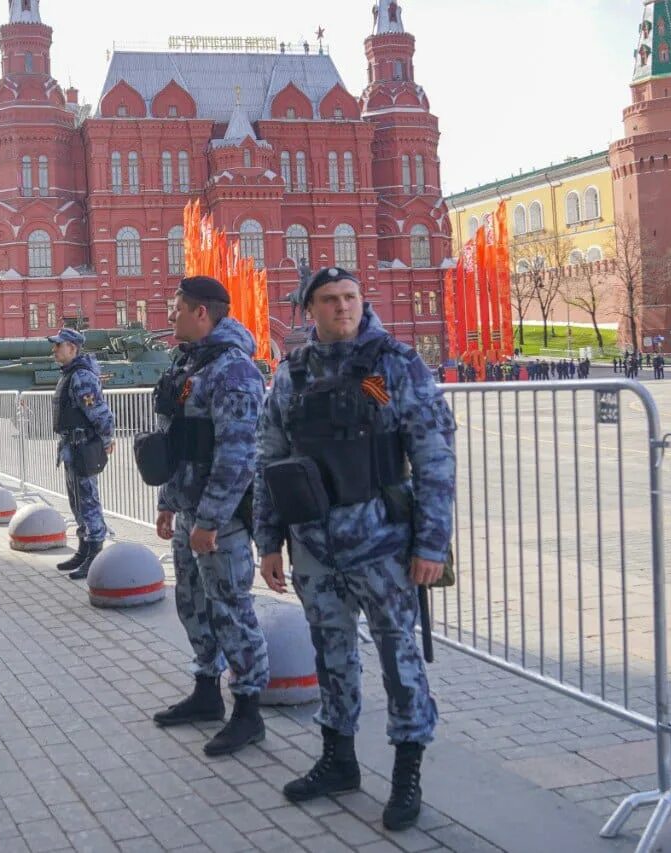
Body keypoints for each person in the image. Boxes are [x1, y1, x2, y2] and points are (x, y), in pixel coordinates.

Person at [254, 267, 454, 831]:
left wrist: (432, 542)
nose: (342, 307)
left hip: (383, 545)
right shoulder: (292, 373)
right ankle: (339, 760)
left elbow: (434, 455)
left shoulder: (394, 364)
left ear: (362, 303)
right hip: (314, 547)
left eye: (350, 298)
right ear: (309, 310)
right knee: (331, 655)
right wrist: (268, 540)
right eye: (329, 300)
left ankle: (407, 771)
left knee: (400, 660)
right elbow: (269, 457)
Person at [146, 276, 270, 757]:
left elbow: (237, 456)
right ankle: (205, 690)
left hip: (220, 521)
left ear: (203, 314)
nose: (170, 315)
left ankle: (248, 710)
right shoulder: (190, 363)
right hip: (189, 511)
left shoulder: (234, 371)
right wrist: (168, 503)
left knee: (231, 609)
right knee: (192, 605)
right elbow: (180, 442)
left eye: (177, 308)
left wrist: (210, 521)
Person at [48, 331, 116, 582]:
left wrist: (107, 440)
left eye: (58, 346)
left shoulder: (81, 377)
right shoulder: (70, 374)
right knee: (77, 501)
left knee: (88, 502)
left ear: (73, 348)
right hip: (71, 446)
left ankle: (95, 553)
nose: (54, 350)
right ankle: (84, 549)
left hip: (82, 447)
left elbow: (101, 413)